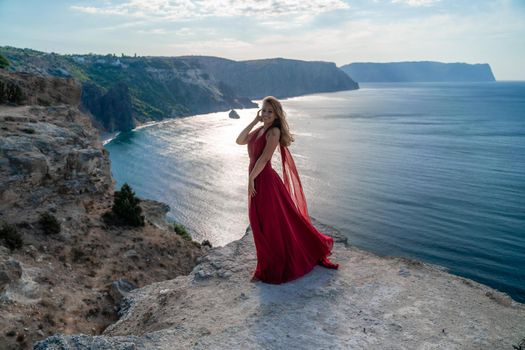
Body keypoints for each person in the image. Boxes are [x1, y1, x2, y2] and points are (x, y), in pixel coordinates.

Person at [235, 96, 339, 284]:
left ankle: (270, 267)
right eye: (264, 110)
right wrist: (254, 121)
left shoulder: (273, 132)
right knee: (259, 222)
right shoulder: (260, 129)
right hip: (257, 179)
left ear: (276, 115)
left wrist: (251, 178)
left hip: (264, 181)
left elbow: (265, 158)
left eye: (270, 111)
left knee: (268, 225)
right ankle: (266, 263)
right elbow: (240, 140)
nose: (266, 114)